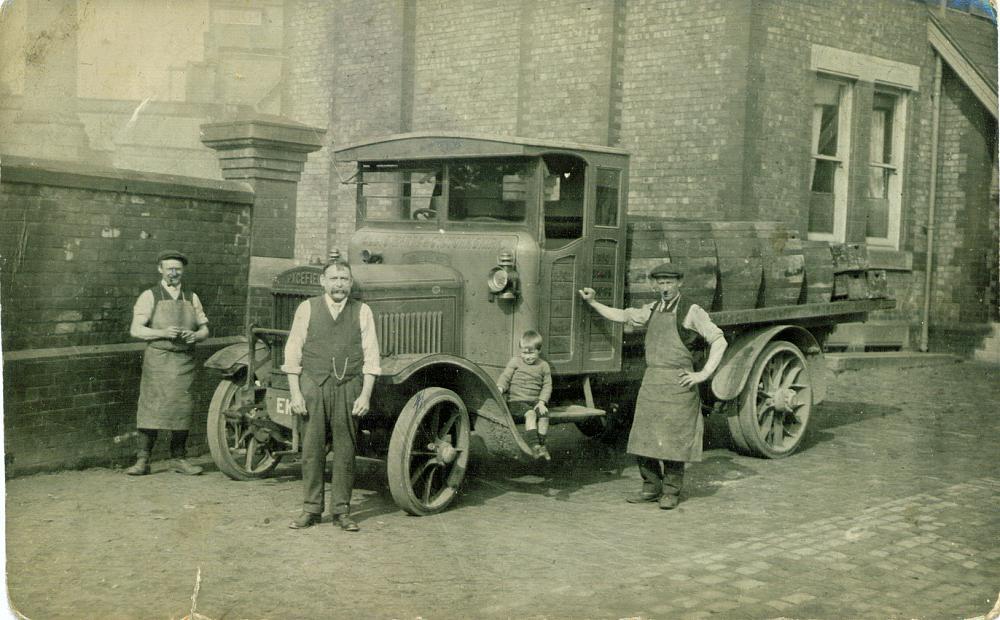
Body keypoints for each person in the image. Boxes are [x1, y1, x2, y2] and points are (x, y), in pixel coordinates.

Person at [579, 264, 727, 509]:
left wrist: (703, 374)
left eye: (670, 282)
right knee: (642, 438)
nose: (665, 287)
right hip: (652, 383)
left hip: (679, 385)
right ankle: (651, 487)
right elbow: (623, 315)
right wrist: (594, 303)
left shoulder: (691, 311)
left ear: (679, 283)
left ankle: (670, 491)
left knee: (673, 441)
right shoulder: (652, 309)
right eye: (661, 283)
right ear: (655, 285)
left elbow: (718, 340)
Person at [283, 259, 381, 531]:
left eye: (344, 279)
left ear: (350, 283)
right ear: (323, 282)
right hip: (313, 383)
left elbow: (372, 356)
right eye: (334, 279)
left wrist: (364, 395)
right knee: (312, 449)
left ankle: (342, 511)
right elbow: (293, 351)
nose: (339, 284)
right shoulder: (307, 308)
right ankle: (311, 509)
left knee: (345, 450)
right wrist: (296, 393)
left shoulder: (362, 311)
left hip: (349, 386)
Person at [125, 250, 210, 476]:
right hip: (158, 360)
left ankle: (178, 459)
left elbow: (205, 329)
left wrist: (197, 336)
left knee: (182, 410)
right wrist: (162, 332)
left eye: (178, 269)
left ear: (183, 271)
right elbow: (136, 330)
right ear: (160, 269)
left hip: (184, 361)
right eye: (169, 268)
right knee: (151, 408)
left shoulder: (191, 297)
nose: (174, 273)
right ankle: (143, 460)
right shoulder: (150, 295)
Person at [497, 330, 553, 461]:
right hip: (516, 401)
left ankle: (542, 445)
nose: (527, 357)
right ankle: (534, 446)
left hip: (535, 401)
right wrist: (500, 387)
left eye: (531, 353)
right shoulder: (515, 362)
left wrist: (542, 402)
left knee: (544, 416)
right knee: (530, 414)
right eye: (524, 353)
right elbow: (505, 377)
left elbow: (547, 386)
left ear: (539, 350)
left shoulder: (543, 366)